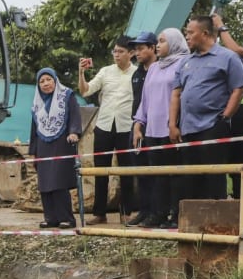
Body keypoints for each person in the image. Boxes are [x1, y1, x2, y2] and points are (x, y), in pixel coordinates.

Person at [169, 15, 243, 200]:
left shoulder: (228, 57)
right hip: (188, 128)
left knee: (214, 178)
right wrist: (172, 124)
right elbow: (176, 93)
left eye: (190, 32)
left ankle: (215, 225)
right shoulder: (185, 61)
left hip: (212, 127)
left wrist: (224, 118)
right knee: (191, 179)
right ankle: (194, 225)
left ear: (205, 33)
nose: (186, 36)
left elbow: (238, 89)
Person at [133, 29, 189, 228]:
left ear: (174, 42)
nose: (158, 45)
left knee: (175, 174)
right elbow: (145, 100)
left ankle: (175, 215)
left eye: (162, 41)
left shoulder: (184, 62)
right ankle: (158, 213)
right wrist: (138, 125)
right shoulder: (154, 67)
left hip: (171, 129)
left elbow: (182, 96)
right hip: (152, 130)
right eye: (158, 41)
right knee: (157, 174)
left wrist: (175, 124)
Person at [78, 36, 136, 225]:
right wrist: (81, 74)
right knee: (100, 170)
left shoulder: (137, 73)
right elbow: (86, 91)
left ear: (131, 53)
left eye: (120, 52)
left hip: (126, 126)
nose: (116, 55)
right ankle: (99, 212)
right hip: (104, 125)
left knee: (127, 171)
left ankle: (127, 212)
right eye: (115, 51)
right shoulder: (105, 71)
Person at [213, 4, 243, 195]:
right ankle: (238, 199)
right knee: (237, 155)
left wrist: (221, 27)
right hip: (242, 107)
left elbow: (235, 50)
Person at [29, 68, 82, 229]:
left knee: (59, 181)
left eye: (48, 80)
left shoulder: (67, 95)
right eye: (42, 81)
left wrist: (74, 132)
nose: (45, 84)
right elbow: (34, 129)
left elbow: (75, 115)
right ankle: (50, 218)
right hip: (43, 145)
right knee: (45, 183)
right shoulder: (37, 103)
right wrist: (33, 152)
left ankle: (67, 218)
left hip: (62, 142)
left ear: (55, 80)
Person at [126, 32, 158, 227]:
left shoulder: (160, 69)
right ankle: (144, 210)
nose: (137, 52)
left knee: (156, 171)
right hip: (138, 124)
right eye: (135, 49)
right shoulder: (137, 73)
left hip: (156, 126)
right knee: (141, 171)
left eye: (141, 48)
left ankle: (157, 211)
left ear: (152, 48)